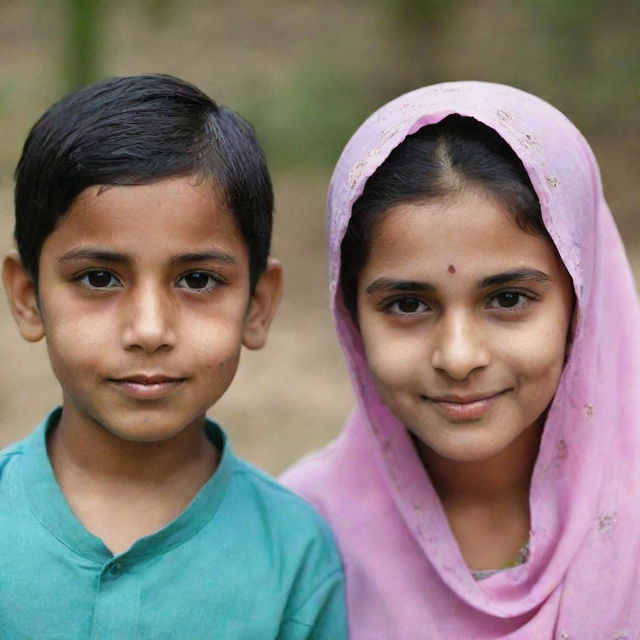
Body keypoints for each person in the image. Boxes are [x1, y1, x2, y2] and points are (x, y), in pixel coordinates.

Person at [282, 81, 640, 637]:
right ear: (349, 315)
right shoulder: (298, 537)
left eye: (507, 299)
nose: (457, 357)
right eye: (407, 304)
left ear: (582, 305)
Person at [1, 74, 346, 639]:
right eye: (98, 277)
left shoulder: (294, 556)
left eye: (197, 280)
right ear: (27, 297)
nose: (149, 330)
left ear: (258, 305)